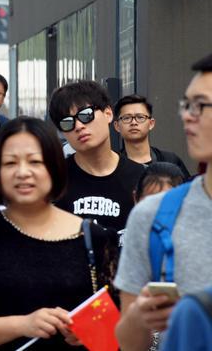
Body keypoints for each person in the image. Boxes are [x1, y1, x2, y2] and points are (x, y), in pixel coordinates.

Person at [0, 117, 121, 351]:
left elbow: (119, 332)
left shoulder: (96, 239)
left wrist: (88, 331)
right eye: (10, 163)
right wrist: (24, 324)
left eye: (35, 162)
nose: (23, 172)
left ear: (53, 167)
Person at [114, 53, 212, 351]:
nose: (186, 115)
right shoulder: (152, 215)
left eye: (200, 105)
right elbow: (129, 344)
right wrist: (141, 318)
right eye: (185, 105)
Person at [49, 80, 145, 233]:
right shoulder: (53, 181)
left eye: (86, 115)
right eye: (67, 123)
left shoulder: (141, 178)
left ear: (108, 113)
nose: (79, 126)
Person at [113, 94, 190, 177]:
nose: (134, 122)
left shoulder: (170, 160)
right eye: (127, 118)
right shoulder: (113, 165)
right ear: (117, 126)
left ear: (151, 123)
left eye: (140, 117)